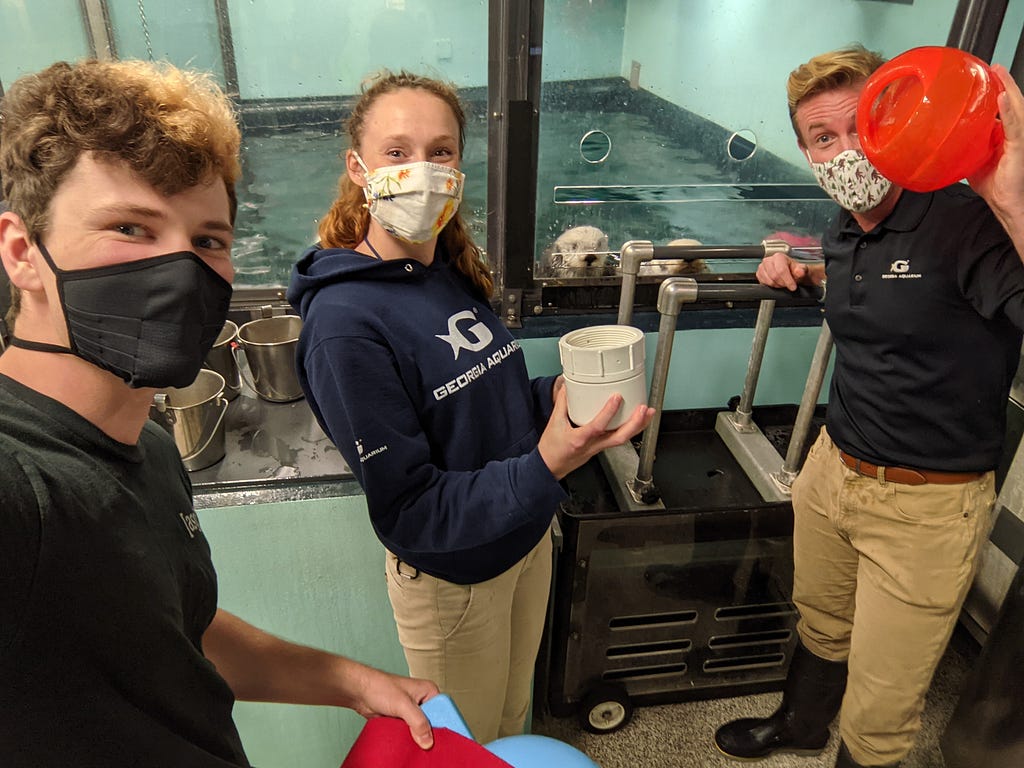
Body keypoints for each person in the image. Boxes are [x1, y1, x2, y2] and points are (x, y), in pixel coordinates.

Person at [0, 59, 438, 768]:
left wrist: (353, 682)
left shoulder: (148, 446)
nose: (179, 268)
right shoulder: (22, 487)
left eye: (206, 240)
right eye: (131, 228)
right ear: (22, 252)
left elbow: (175, 630)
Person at [287, 70, 655, 743]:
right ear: (357, 167)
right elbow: (412, 510)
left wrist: (563, 400)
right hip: (455, 582)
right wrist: (546, 463)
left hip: (525, 539)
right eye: (396, 153)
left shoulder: (448, 271)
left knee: (512, 721)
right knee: (470, 747)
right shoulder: (344, 325)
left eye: (441, 152)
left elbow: (492, 395)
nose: (421, 171)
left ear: (460, 165)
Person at [714, 46, 1024, 768]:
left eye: (863, 126)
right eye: (825, 138)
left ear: (900, 121)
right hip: (835, 470)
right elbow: (894, 290)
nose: (847, 151)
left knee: (884, 705)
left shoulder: (966, 220)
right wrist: (797, 268)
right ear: (805, 151)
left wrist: (1010, 195)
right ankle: (801, 723)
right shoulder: (844, 227)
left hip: (928, 506)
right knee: (822, 624)